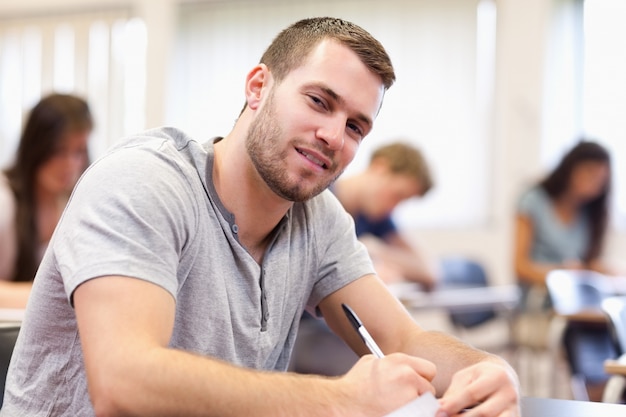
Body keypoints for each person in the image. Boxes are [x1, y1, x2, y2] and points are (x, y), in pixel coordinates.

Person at [3, 17, 519, 417]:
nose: (334, 136)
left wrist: (488, 371)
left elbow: (404, 340)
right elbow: (123, 382)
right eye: (319, 101)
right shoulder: (144, 182)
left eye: (356, 127)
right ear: (257, 87)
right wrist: (339, 400)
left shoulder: (318, 218)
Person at [513, 139, 614, 400]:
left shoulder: (589, 211)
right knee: (580, 328)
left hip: (585, 307)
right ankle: (597, 394)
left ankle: (606, 391)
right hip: (543, 304)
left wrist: (605, 272)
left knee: (611, 323)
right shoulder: (533, 200)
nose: (595, 185)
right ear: (570, 169)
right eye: (590, 174)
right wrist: (562, 275)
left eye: (601, 180)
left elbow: (588, 264)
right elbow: (520, 266)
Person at [0, 93, 92, 308]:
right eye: (60, 151)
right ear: (37, 147)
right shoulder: (5, 198)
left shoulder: (75, 203)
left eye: (78, 152)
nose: (71, 164)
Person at [333, 141, 438, 289]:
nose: (394, 208)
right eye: (397, 195)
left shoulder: (376, 217)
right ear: (380, 167)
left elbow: (429, 272)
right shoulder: (321, 202)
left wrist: (377, 250)